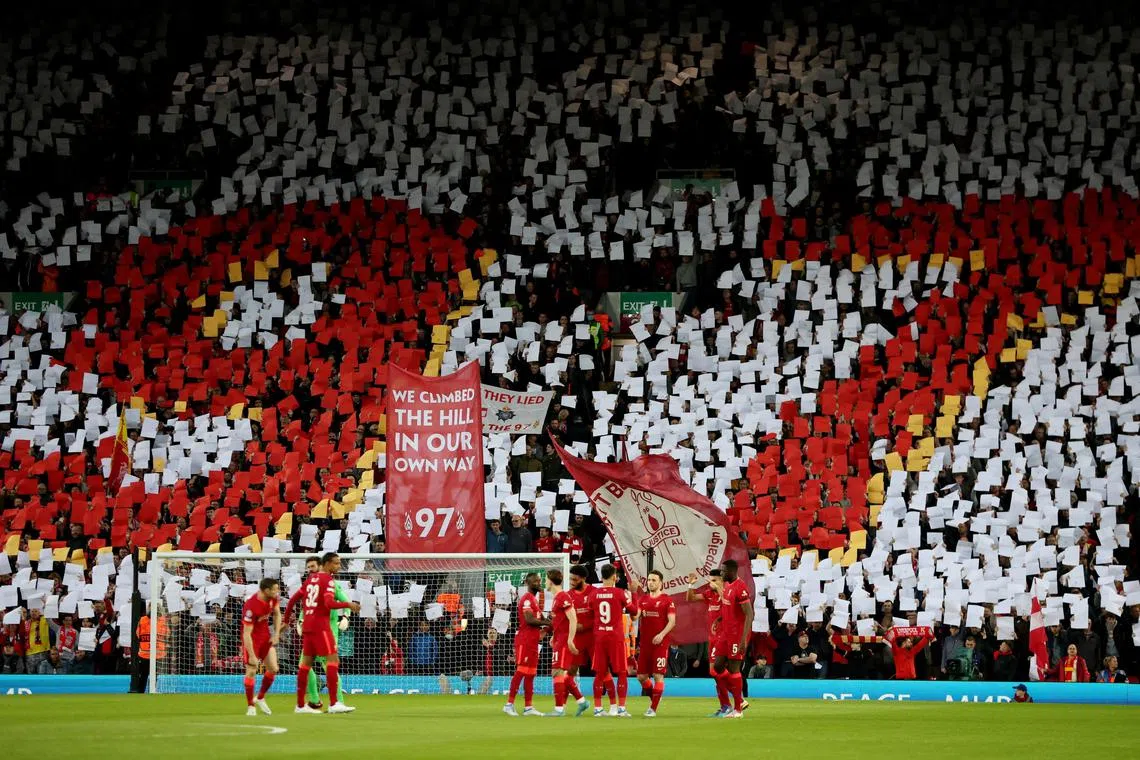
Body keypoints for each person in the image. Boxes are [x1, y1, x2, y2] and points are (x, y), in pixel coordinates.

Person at [284, 552, 360, 714]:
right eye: (336, 564)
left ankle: (305, 704)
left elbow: (296, 600)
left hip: (317, 629)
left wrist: (346, 615)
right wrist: (299, 619)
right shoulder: (327, 581)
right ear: (327, 564)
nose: (310, 569)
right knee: (331, 664)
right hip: (322, 629)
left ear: (320, 565)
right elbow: (329, 603)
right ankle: (331, 702)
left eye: (312, 566)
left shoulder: (312, 582)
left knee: (306, 666)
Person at [589, 563, 637, 717]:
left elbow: (590, 613)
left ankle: (597, 709)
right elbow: (634, 612)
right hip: (615, 638)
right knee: (622, 672)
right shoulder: (620, 593)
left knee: (600, 673)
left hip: (600, 637)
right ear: (615, 577)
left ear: (601, 577)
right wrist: (634, 593)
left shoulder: (594, 594)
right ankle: (621, 709)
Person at [710, 559, 752, 718]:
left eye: (723, 570)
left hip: (737, 635)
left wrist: (743, 639)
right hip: (725, 634)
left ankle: (738, 710)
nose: (721, 573)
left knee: (734, 669)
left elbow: (749, 614)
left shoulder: (740, 588)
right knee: (718, 667)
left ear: (732, 571)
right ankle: (740, 699)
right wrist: (720, 619)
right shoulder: (727, 587)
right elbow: (730, 609)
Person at [503, 572, 549, 716]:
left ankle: (528, 707)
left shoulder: (534, 601)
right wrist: (547, 622)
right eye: (535, 581)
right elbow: (529, 620)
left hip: (533, 641)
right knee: (521, 671)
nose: (538, 583)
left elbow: (540, 622)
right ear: (528, 583)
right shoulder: (527, 599)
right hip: (524, 641)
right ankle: (509, 704)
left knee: (531, 674)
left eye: (539, 581)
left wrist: (549, 625)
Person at [631, 570, 676, 717]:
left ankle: (653, 709)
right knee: (641, 677)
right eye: (649, 580)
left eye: (654, 580)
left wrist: (662, 635)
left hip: (660, 644)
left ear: (660, 583)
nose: (650, 582)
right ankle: (656, 696)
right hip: (645, 644)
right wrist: (633, 594)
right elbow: (634, 617)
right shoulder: (642, 600)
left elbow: (672, 621)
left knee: (658, 675)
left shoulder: (667, 600)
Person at [546, 568, 585, 717]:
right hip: (559, 639)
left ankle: (559, 709)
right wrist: (553, 636)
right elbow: (560, 621)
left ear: (550, 580)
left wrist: (569, 639)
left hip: (564, 640)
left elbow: (573, 618)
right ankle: (581, 702)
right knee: (562, 674)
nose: (545, 582)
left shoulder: (563, 596)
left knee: (557, 672)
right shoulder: (557, 597)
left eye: (545, 579)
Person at [241, 578, 282, 716]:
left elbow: (277, 613)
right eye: (275, 589)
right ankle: (250, 706)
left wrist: (276, 633)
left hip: (265, 638)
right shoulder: (251, 606)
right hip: (252, 641)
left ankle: (260, 697)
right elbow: (247, 634)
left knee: (274, 669)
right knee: (251, 670)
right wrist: (252, 655)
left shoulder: (272, 599)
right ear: (266, 590)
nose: (277, 592)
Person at [565, 565, 594, 713]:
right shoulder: (568, 595)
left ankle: (609, 707)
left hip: (593, 638)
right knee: (568, 673)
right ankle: (561, 707)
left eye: (574, 579)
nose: (571, 581)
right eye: (570, 578)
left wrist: (586, 625)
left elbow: (600, 617)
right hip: (576, 639)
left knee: (602, 671)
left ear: (583, 578)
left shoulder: (594, 592)